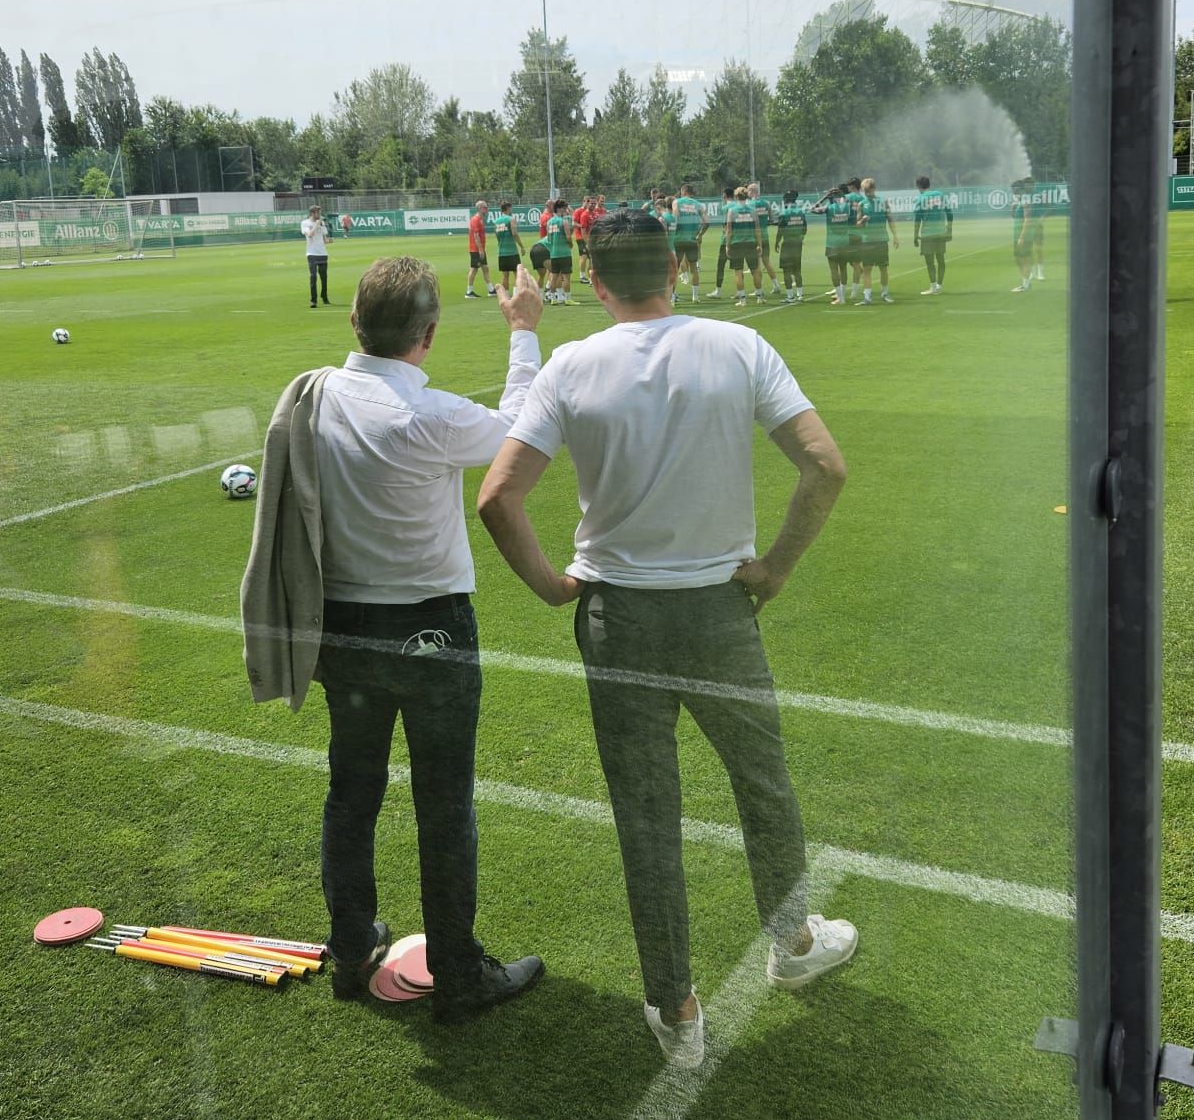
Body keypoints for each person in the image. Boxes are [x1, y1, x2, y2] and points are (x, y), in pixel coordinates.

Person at [477, 210, 856, 1069]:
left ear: (596, 280)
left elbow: (498, 497)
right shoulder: (737, 345)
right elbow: (825, 466)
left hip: (620, 620)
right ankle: (792, 943)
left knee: (648, 819)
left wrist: (553, 587)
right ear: (677, 271)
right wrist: (776, 569)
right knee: (764, 786)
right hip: (720, 613)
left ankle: (676, 1009)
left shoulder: (571, 365)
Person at [245, 257, 548, 1022]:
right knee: (444, 804)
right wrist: (523, 334)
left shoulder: (315, 397)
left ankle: (351, 948)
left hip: (342, 635)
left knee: (352, 791)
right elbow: (519, 429)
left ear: (354, 322)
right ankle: (458, 970)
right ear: (431, 335)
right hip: (430, 634)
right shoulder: (434, 416)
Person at [855, 176, 894, 304]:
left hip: (882, 240)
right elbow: (858, 224)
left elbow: (890, 219)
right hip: (867, 241)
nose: (867, 193)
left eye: (869, 190)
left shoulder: (883, 202)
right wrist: (863, 220)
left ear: (874, 189)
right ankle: (867, 297)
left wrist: (895, 236)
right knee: (867, 269)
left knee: (883, 268)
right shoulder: (861, 204)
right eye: (865, 191)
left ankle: (885, 293)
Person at [721, 186, 762, 306]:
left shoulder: (732, 211)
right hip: (750, 243)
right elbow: (757, 229)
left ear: (736, 196)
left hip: (736, 244)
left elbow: (729, 230)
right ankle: (759, 297)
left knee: (738, 272)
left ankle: (742, 299)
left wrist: (727, 245)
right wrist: (759, 244)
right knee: (755, 271)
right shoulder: (752, 210)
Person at [912, 175, 953, 294]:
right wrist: (949, 230)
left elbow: (917, 219)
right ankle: (939, 286)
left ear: (919, 186)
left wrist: (915, 235)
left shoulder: (920, 198)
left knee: (930, 262)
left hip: (927, 234)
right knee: (941, 260)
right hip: (941, 232)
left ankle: (933, 287)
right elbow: (949, 213)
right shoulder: (940, 195)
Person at [746, 184, 785, 299]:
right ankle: (776, 285)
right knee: (767, 262)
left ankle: (759, 289)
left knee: (756, 265)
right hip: (765, 236)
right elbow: (771, 219)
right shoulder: (766, 203)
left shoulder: (750, 205)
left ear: (752, 191)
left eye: (748, 190)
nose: (747, 192)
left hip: (754, 237)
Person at [822, 184, 856, 305]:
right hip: (845, 243)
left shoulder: (829, 208)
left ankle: (840, 298)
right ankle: (844, 298)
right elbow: (852, 205)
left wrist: (825, 197)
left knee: (833, 270)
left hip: (832, 244)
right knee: (843, 269)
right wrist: (841, 194)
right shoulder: (847, 207)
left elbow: (812, 209)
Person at [671, 183, 706, 300]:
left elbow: (674, 218)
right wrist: (700, 235)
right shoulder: (699, 205)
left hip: (678, 239)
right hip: (692, 239)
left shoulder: (677, 202)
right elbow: (707, 222)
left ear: (683, 192)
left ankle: (672, 296)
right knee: (694, 268)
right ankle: (695, 297)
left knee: (674, 269)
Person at [1011, 177, 1046, 292]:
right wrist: (1013, 207)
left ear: (1019, 189)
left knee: (1022, 257)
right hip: (1018, 233)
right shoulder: (1020, 200)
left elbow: (1027, 219)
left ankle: (1025, 284)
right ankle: (1026, 281)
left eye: (1014, 189)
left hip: (1023, 235)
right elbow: (1015, 216)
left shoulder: (1025, 201)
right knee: (1019, 257)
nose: (1012, 191)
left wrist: (1022, 236)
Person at [774, 190, 809, 303]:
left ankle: (790, 296)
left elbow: (780, 230)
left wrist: (776, 242)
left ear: (786, 200)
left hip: (787, 243)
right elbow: (805, 228)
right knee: (797, 270)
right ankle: (800, 295)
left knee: (787, 271)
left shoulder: (784, 213)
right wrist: (800, 237)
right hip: (797, 244)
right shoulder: (800, 212)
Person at [543, 199, 577, 303]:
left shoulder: (549, 222)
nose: (566, 211)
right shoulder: (563, 222)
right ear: (561, 209)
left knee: (554, 276)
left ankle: (553, 299)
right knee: (566, 276)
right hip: (564, 253)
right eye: (565, 208)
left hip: (554, 254)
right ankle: (568, 299)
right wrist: (570, 244)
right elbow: (568, 237)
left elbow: (549, 239)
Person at [300, 207, 331, 308]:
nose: (319, 214)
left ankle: (325, 297)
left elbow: (325, 239)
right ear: (312, 213)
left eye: (320, 212)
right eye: (318, 213)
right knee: (313, 277)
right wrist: (316, 225)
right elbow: (309, 234)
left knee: (324, 277)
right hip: (311, 253)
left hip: (322, 253)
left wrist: (329, 240)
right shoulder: (305, 223)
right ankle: (313, 300)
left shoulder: (322, 224)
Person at [465, 200, 494, 299]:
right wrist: (481, 250)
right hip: (476, 250)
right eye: (485, 207)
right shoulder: (476, 220)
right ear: (480, 208)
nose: (487, 209)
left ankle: (491, 290)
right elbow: (476, 236)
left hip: (479, 249)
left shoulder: (480, 220)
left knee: (485, 268)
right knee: (474, 269)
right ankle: (469, 292)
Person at [491, 200, 524, 287]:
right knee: (516, 274)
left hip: (501, 252)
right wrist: (522, 246)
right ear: (508, 208)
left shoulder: (496, 222)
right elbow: (514, 234)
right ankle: (516, 294)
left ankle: (505, 295)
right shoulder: (511, 219)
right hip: (512, 252)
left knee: (505, 276)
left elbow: (497, 236)